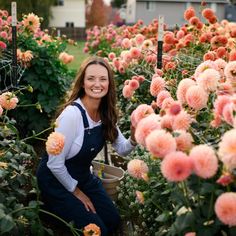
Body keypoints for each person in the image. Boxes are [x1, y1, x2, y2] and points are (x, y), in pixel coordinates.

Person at [36, 56, 137, 236]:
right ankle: (51, 212)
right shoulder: (71, 116)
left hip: (82, 176)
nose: (97, 84)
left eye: (102, 79)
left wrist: (135, 137)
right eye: (91, 78)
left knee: (113, 220)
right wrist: (77, 192)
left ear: (109, 84)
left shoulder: (105, 113)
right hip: (55, 180)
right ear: (83, 83)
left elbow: (122, 149)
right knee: (98, 231)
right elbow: (54, 164)